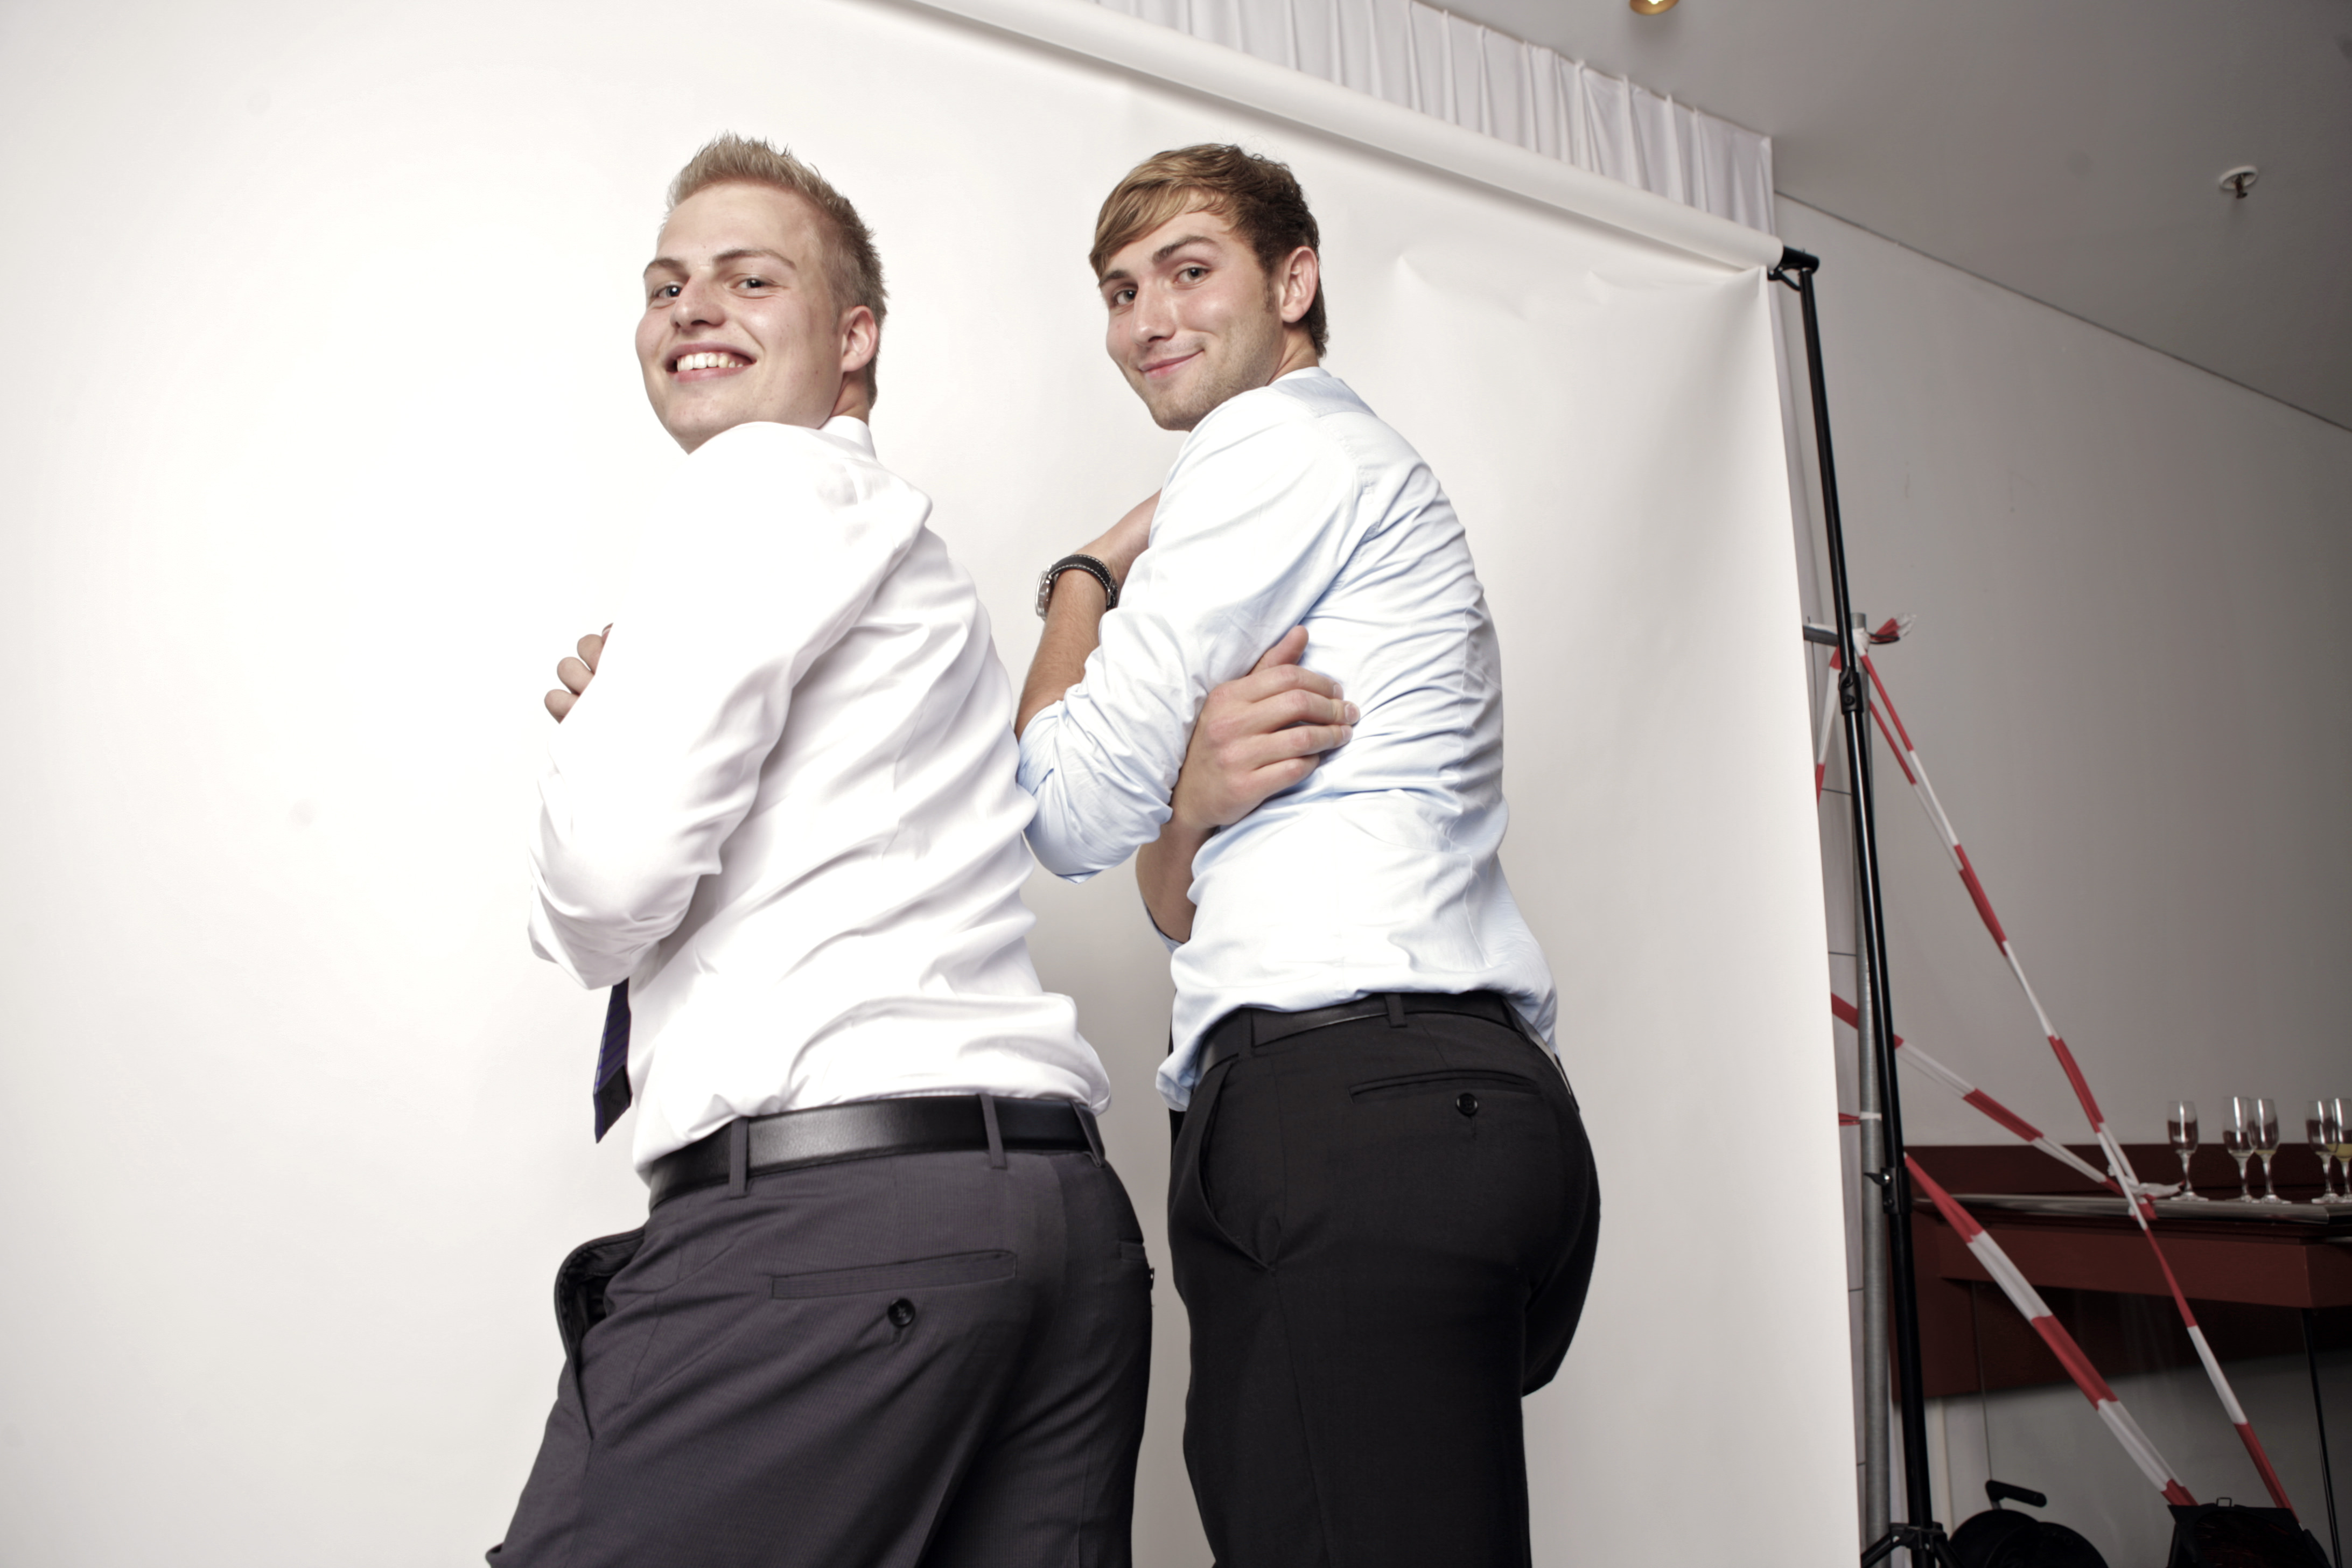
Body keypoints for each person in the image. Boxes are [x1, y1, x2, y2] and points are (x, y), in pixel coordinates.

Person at [491, 134, 1151, 1568]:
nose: (692, 307)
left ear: (855, 338)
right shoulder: (900, 552)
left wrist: (599, 736)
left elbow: (606, 886)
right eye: (666, 284)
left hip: (843, 1227)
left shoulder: (760, 486)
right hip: (1055, 1225)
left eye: (749, 279)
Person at [1015, 144, 1603, 1568]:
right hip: (1419, 1107)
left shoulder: (1271, 448)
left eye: (1188, 269)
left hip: (1354, 1114)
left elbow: (1064, 808)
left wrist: (1081, 581)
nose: (1147, 317)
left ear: (1296, 282)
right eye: (1119, 290)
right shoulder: (1345, 481)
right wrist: (1194, 798)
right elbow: (1174, 895)